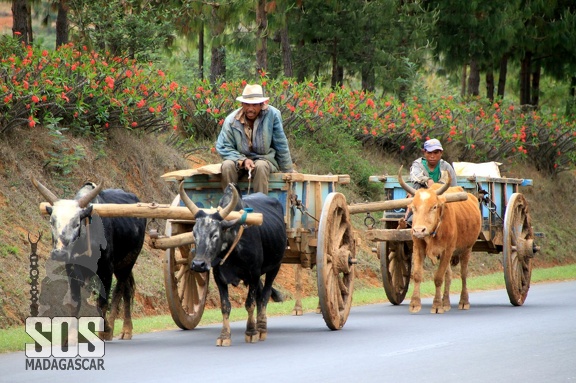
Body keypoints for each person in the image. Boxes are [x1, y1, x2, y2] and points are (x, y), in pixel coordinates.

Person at [216, 84, 294, 194]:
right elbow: (223, 146)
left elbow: (281, 144)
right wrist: (243, 161)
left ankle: (260, 205)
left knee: (261, 166)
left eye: (255, 105)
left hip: (265, 159)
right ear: (242, 104)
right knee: (227, 166)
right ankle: (230, 205)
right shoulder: (231, 120)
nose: (250, 109)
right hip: (238, 160)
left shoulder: (273, 115)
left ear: (262, 104)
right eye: (247, 104)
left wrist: (288, 170)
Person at [402, 138, 458, 223]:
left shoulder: (446, 167)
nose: (432, 156)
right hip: (422, 202)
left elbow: (454, 187)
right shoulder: (418, 165)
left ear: (441, 153)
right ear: (424, 153)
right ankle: (408, 219)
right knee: (417, 185)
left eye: (436, 152)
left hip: (440, 202)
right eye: (429, 153)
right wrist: (428, 180)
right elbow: (415, 175)